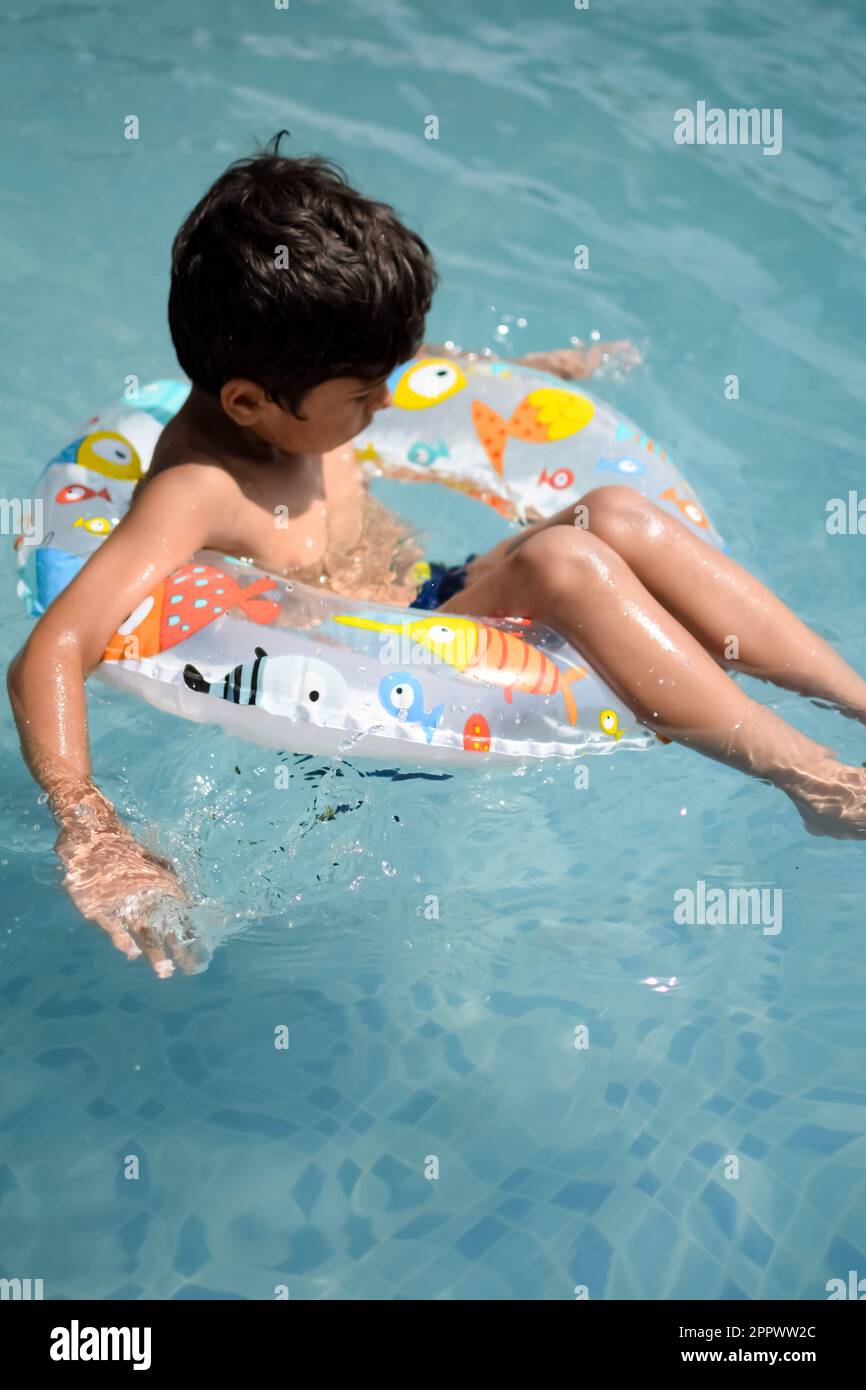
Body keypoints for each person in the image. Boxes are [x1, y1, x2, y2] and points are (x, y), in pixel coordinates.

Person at [8, 135, 866, 978]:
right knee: (565, 564)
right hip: (371, 688)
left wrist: (529, 372)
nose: (392, 400)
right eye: (364, 393)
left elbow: (429, 386)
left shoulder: (293, 385)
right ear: (249, 402)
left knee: (618, 514)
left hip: (432, 599)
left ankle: (855, 700)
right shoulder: (197, 487)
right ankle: (812, 781)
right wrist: (92, 830)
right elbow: (51, 649)